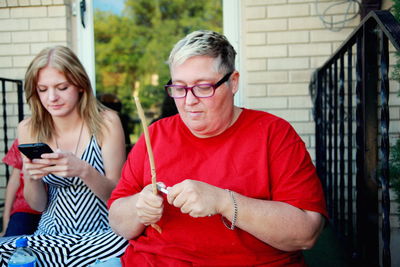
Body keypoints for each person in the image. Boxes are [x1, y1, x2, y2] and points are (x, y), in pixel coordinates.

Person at [108, 30, 328, 266]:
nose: (189, 101)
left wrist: (223, 201)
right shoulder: (155, 135)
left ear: (233, 82)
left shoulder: (274, 134)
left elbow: (306, 233)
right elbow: (118, 221)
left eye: (203, 87)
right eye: (179, 88)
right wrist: (138, 208)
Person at [0, 46, 128, 266]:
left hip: (102, 235)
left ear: (79, 85)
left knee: (126, 248)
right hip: (52, 235)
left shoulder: (107, 122)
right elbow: (38, 206)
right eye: (42, 89)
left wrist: (83, 170)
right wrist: (31, 178)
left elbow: (117, 197)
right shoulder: (28, 129)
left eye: (62, 87)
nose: (52, 98)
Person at [0, 139, 41, 237]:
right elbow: (14, 181)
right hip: (25, 208)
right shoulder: (25, 137)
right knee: (13, 245)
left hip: (56, 209)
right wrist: (6, 218)